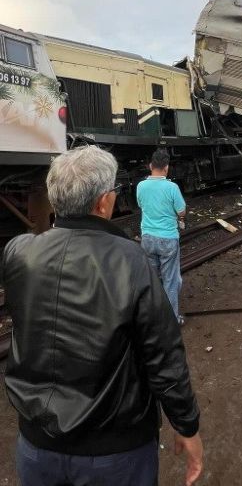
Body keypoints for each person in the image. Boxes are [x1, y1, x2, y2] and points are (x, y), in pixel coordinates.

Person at [1, 146, 202, 486]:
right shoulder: (130, 260)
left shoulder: (18, 252)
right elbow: (164, 356)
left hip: (35, 445)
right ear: (104, 202)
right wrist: (186, 425)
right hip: (115, 451)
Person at [137, 149, 186, 326]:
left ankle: (154, 318)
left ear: (151, 166)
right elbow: (181, 211)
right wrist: (179, 217)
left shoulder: (141, 186)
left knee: (153, 280)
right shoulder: (172, 188)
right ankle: (172, 321)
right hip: (167, 240)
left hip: (147, 239)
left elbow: (141, 205)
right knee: (171, 281)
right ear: (166, 168)